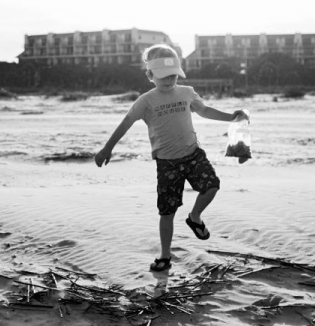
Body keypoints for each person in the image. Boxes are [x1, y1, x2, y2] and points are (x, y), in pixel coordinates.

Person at [94, 44, 249, 272]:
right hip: (167, 163)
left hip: (193, 154)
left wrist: (231, 118)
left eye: (173, 75)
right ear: (150, 75)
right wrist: (108, 148)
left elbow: (205, 110)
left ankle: (195, 216)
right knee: (167, 212)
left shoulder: (186, 92)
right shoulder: (145, 101)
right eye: (163, 76)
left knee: (212, 186)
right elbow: (126, 122)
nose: (169, 80)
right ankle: (165, 256)